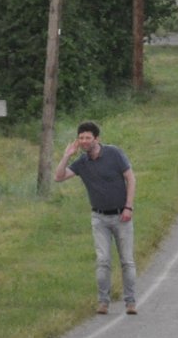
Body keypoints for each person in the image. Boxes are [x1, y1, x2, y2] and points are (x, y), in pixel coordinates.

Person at [54, 121, 137, 315]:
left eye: (87, 138)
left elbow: (131, 178)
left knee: (127, 260)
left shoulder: (114, 154)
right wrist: (66, 156)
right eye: (81, 138)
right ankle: (103, 302)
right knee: (103, 260)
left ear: (96, 139)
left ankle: (130, 302)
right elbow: (59, 177)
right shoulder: (82, 163)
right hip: (99, 218)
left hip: (121, 216)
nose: (84, 141)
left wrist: (128, 207)